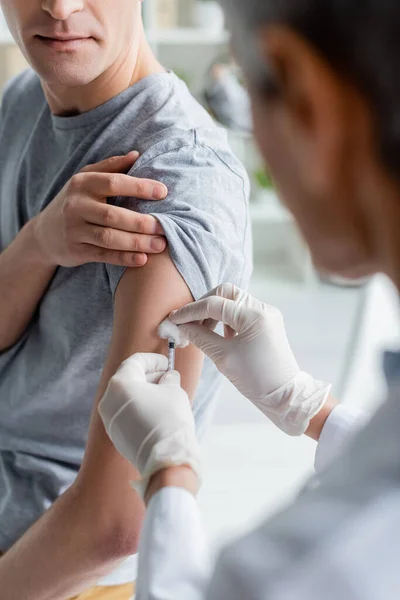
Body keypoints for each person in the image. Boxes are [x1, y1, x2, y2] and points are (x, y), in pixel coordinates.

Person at [99, 0, 400, 598]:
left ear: (307, 103)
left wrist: (168, 474)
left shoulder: (322, 563)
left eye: (244, 86)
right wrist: (311, 408)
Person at [0, 1, 252, 598]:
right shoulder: (23, 101)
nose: (60, 7)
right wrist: (40, 243)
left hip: (51, 570)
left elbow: (115, 521)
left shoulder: (177, 180)